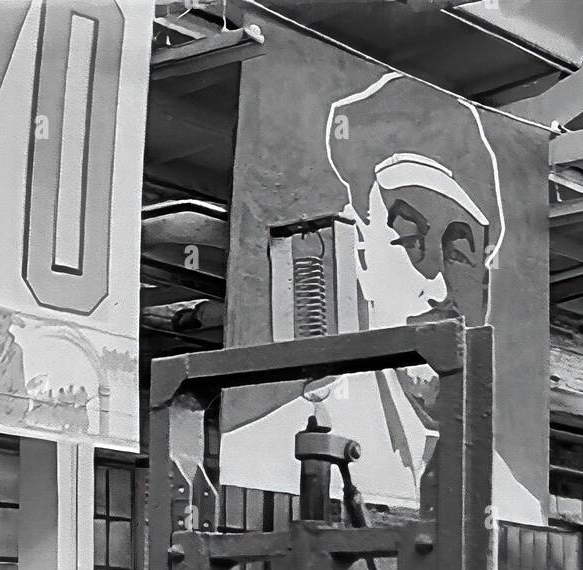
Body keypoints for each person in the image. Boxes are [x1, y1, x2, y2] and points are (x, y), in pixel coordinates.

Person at [219, 71, 543, 524]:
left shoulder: (512, 497)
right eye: (409, 241)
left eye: (461, 253)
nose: (437, 286)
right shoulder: (265, 444)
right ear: (361, 258)